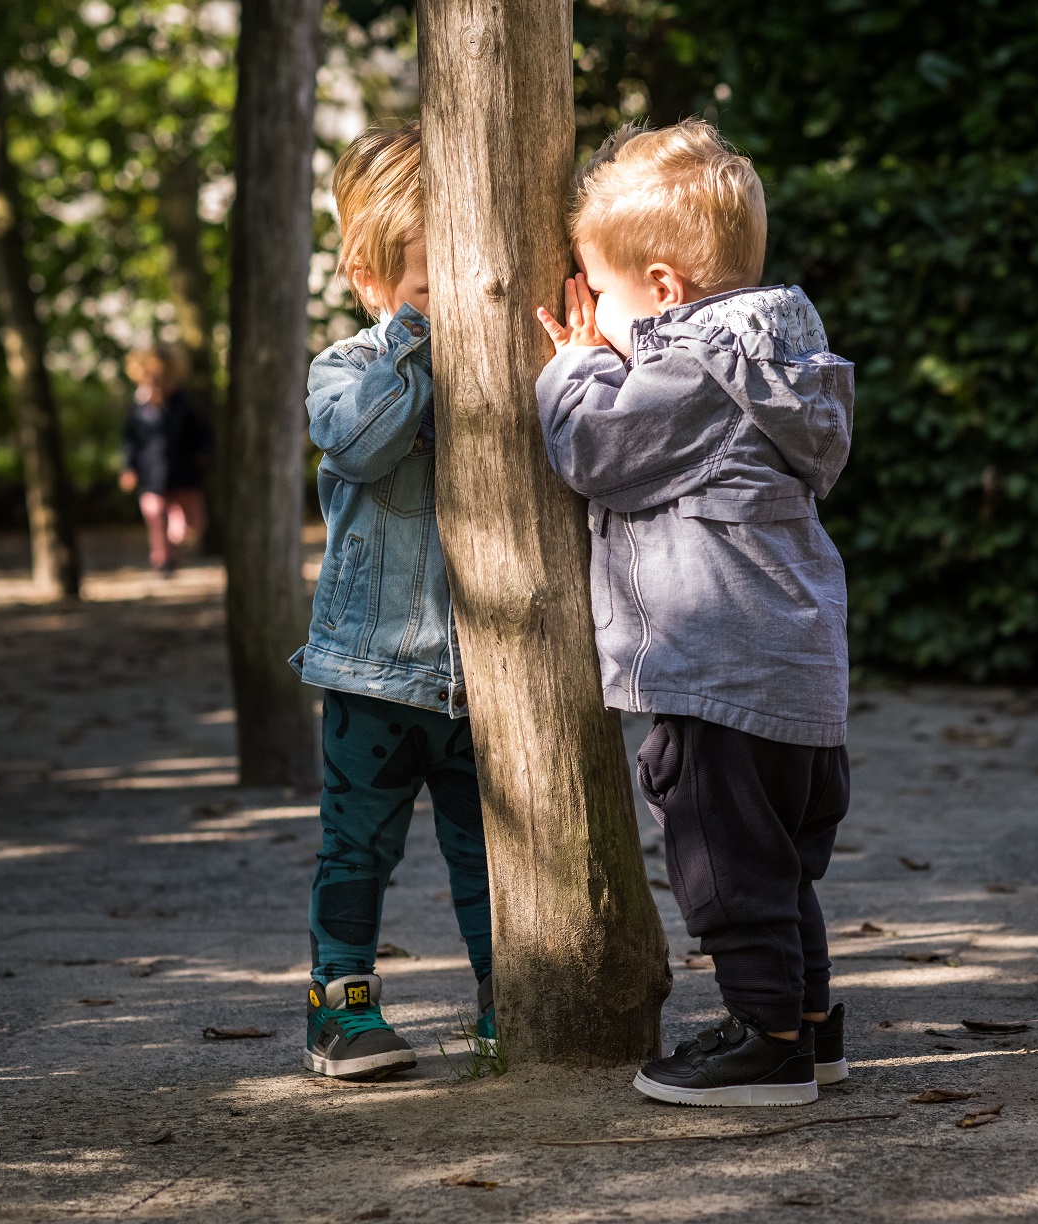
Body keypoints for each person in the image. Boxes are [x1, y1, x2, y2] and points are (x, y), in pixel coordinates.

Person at [534, 119, 855, 1107]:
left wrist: (575, 364)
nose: (594, 313)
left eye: (601, 293)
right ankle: (807, 1026)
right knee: (778, 868)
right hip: (794, 672)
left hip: (722, 670)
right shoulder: (781, 360)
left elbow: (599, 452)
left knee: (725, 868)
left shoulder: (698, 369)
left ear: (664, 289)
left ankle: (765, 1044)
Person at [288, 119, 497, 1081]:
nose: (448, 308)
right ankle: (341, 1006)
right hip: (373, 673)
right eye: (424, 289)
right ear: (368, 281)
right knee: (357, 849)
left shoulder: (494, 358)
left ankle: (507, 997)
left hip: (478, 678)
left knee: (487, 853)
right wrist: (415, 341)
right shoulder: (343, 370)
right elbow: (364, 446)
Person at [119, 347, 211, 574]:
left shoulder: (186, 405)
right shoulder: (139, 410)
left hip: (184, 475)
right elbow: (131, 443)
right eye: (152, 378)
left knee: (191, 523)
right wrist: (129, 468)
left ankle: (174, 546)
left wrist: (205, 453)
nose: (158, 384)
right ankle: (163, 560)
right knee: (155, 516)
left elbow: (204, 434)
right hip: (151, 476)